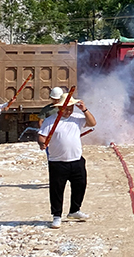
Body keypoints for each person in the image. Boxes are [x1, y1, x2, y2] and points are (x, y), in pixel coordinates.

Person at [38, 92, 96, 229]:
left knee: (80, 185)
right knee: (57, 190)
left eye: (71, 108)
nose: (69, 111)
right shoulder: (50, 120)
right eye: (66, 108)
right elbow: (41, 135)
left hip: (76, 160)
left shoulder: (77, 118)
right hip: (57, 162)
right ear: (59, 108)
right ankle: (56, 216)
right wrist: (42, 143)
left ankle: (75, 211)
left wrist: (84, 110)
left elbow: (92, 123)